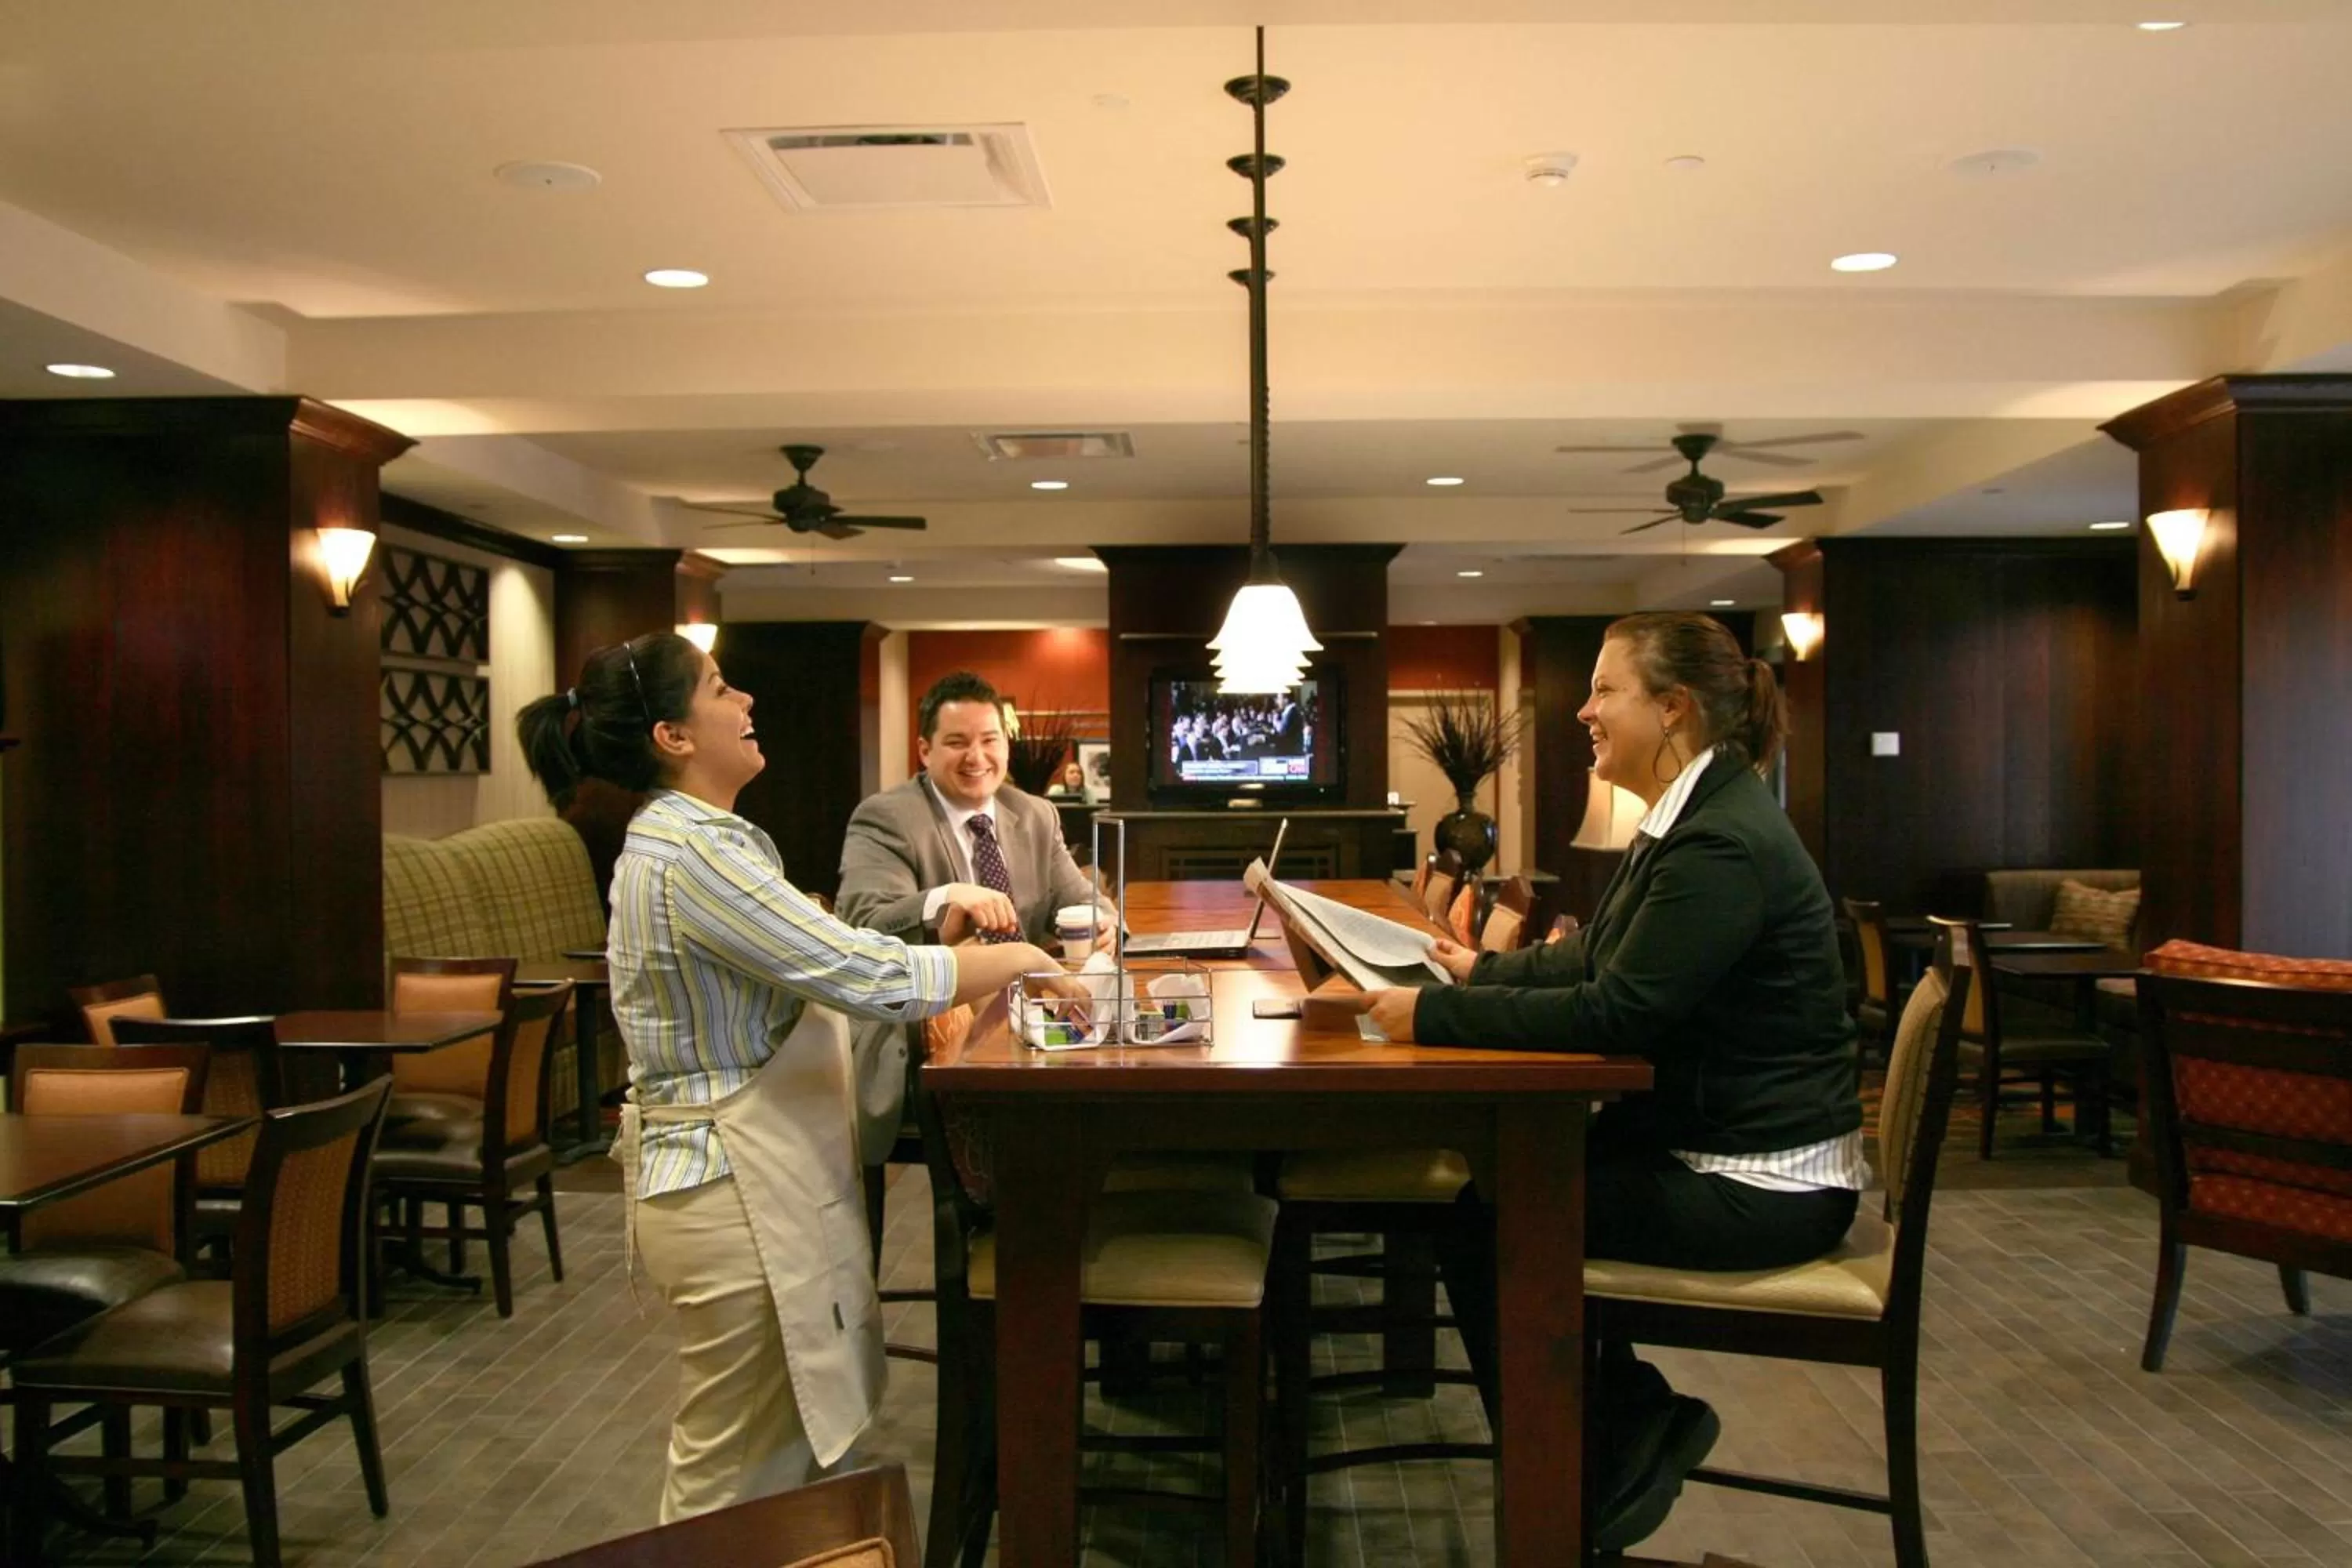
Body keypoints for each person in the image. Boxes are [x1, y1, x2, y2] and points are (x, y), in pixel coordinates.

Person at [516, 634, 1078, 1524]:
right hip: (728, 1184)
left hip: (755, 1172)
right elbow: (870, 973)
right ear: (672, 734)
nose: (744, 699)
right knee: (731, 1469)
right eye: (719, 687)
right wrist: (1018, 959)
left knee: (776, 1449)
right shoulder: (692, 852)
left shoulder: (707, 840)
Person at [1361, 612, 1862, 1554]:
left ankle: (1590, 1466)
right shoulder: (1694, 815)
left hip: (1763, 1182)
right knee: (1491, 1197)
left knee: (1486, 1219)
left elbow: (1616, 1012)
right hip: (1708, 1141)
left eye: (1605, 690)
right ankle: (1618, 1432)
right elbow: (1592, 958)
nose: (1584, 709)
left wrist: (1429, 1016)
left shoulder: (1721, 842)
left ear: (1672, 709)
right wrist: (1476, 973)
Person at [834, 670, 1109, 1164]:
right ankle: (1012, 1197)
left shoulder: (1033, 814)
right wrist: (945, 899)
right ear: (925, 750)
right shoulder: (886, 817)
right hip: (930, 1034)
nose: (977, 758)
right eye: (957, 742)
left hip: (1035, 1019)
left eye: (989, 740)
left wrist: (1103, 922)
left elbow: (1083, 899)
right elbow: (862, 922)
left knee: (1105, 1088)